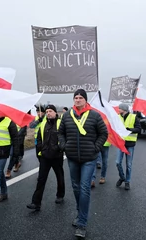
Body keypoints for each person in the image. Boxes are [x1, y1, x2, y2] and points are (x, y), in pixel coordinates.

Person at [58, 89, 108, 238]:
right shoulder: (67, 116)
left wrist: (96, 148)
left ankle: (82, 223)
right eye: (76, 97)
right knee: (76, 187)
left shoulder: (94, 116)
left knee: (85, 187)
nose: (78, 100)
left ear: (85, 100)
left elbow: (103, 133)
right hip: (72, 157)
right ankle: (80, 213)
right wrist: (64, 146)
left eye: (80, 97)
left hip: (89, 158)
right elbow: (60, 133)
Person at [27, 105, 65, 211]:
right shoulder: (43, 123)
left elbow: (63, 138)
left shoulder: (60, 123)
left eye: (50, 111)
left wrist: (59, 148)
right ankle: (36, 202)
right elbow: (39, 138)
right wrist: (41, 149)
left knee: (59, 176)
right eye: (47, 111)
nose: (48, 113)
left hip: (56, 156)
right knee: (41, 179)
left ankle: (60, 195)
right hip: (45, 156)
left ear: (55, 112)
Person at [116, 103, 141, 190]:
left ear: (124, 110)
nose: (118, 110)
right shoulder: (117, 117)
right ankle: (122, 177)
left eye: (119, 108)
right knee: (118, 162)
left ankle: (127, 181)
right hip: (120, 143)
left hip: (130, 144)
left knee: (128, 165)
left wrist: (129, 130)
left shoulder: (133, 117)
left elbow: (138, 129)